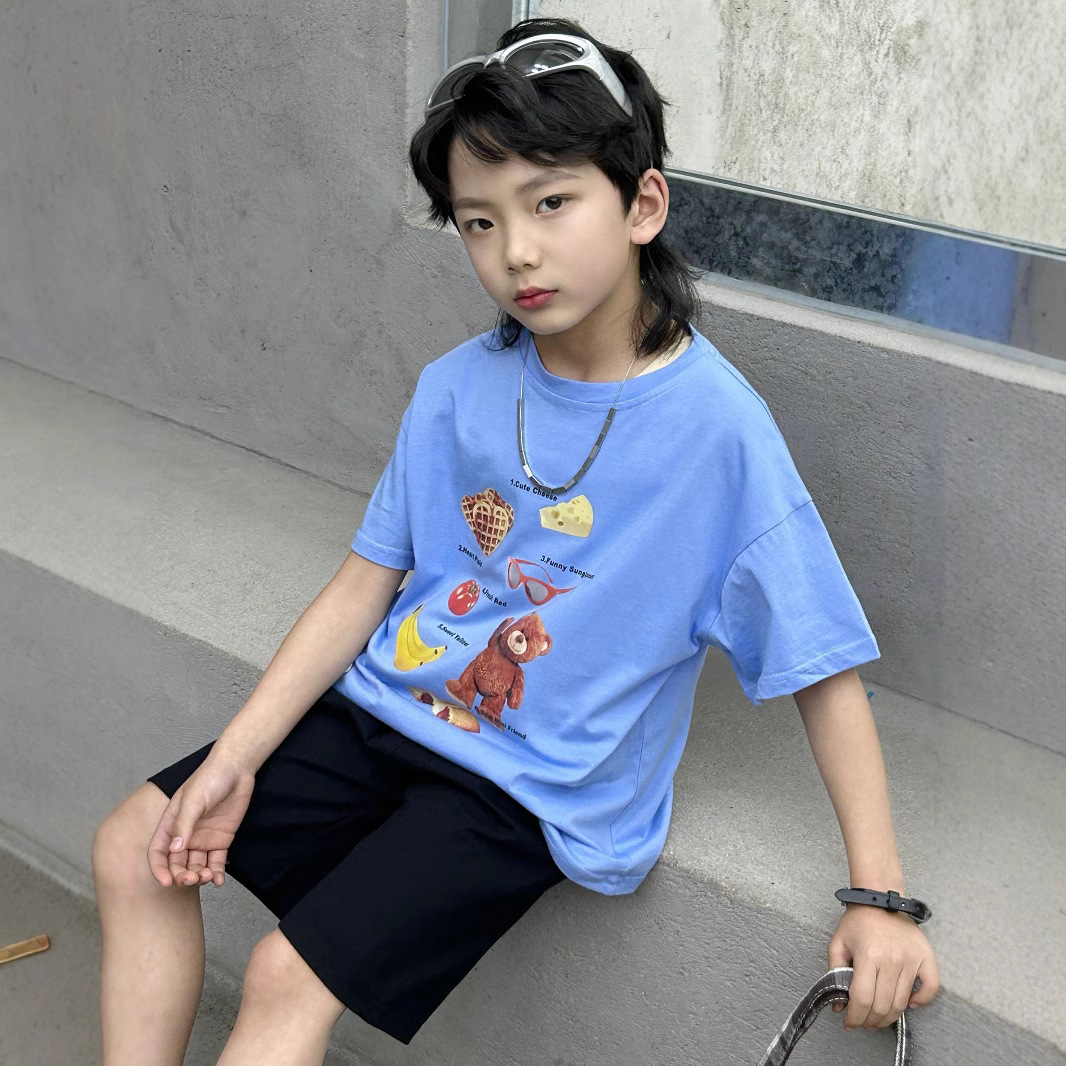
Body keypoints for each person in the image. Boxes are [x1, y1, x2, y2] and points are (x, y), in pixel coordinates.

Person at [92, 17, 939, 1065]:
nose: (516, 253)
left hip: (531, 782)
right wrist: (235, 759)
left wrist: (878, 897)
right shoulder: (458, 387)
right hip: (385, 708)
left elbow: (819, 664)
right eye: (479, 222)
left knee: (282, 975)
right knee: (136, 844)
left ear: (643, 204)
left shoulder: (719, 433)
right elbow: (365, 582)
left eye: (550, 203)